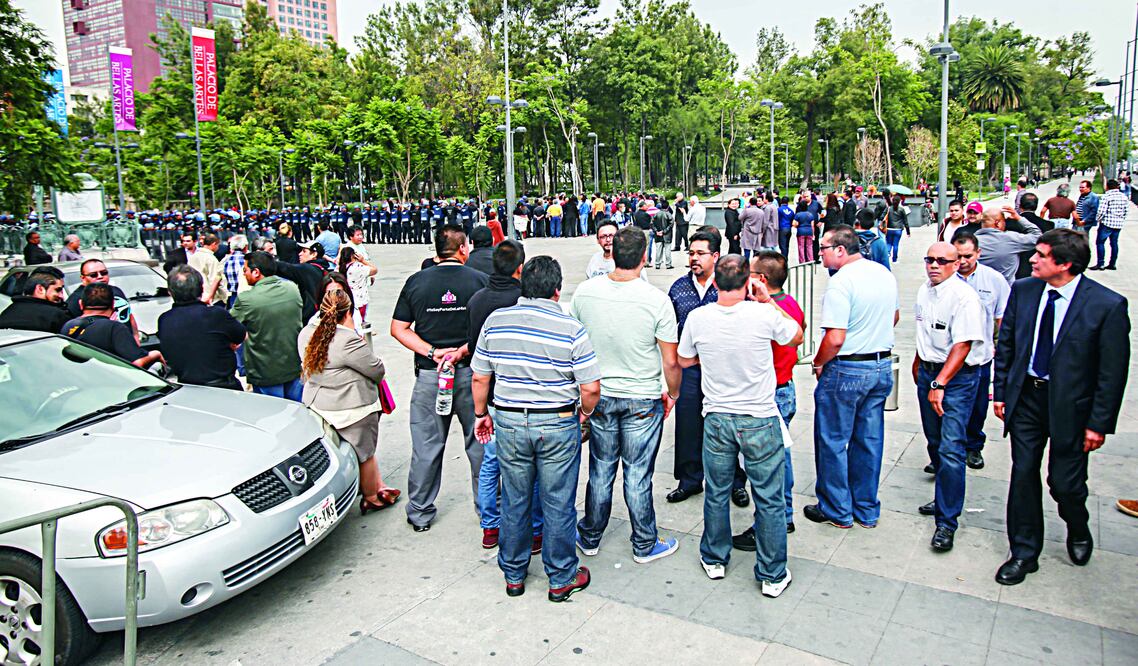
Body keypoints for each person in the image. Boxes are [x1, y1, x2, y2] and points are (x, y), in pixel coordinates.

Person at [993, 229, 1130, 585]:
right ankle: (1023, 552)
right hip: (1027, 399)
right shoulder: (1024, 290)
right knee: (1023, 472)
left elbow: (1111, 373)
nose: (1032, 259)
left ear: (1065, 264)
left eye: (1040, 254)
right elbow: (1007, 344)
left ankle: (1077, 525)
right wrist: (1002, 393)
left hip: (1072, 407)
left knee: (1064, 482)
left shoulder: (1106, 305)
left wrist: (1098, 423)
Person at [471, 256, 601, 601]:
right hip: (558, 423)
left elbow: (481, 376)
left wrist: (481, 413)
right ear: (557, 291)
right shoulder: (571, 328)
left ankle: (513, 573)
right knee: (558, 500)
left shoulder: (495, 321)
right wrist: (584, 414)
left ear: (522, 284)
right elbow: (590, 388)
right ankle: (560, 577)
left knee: (515, 497)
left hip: (509, 421)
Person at [678, 254, 803, 596]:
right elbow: (796, 338)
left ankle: (715, 557)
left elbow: (685, 359)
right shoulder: (763, 314)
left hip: (717, 416)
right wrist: (767, 300)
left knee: (716, 492)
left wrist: (713, 354)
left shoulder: (698, 317)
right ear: (749, 280)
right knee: (770, 497)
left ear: (715, 282)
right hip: (759, 417)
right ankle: (772, 573)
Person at [571, 226, 682, 563]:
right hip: (642, 399)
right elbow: (671, 360)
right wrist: (672, 392)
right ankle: (645, 542)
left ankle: (590, 535)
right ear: (644, 257)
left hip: (600, 396)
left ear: (612, 254)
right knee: (637, 472)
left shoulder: (585, 293)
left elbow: (573, 345)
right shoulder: (657, 301)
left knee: (601, 469)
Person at [390, 224, 489, 532]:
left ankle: (419, 512)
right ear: (463, 249)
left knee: (427, 445)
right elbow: (488, 329)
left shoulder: (417, 282)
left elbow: (398, 328)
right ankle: (488, 510)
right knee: (480, 443)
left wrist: (432, 351)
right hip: (471, 376)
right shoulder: (478, 281)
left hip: (431, 376)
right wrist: (462, 350)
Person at [807, 225, 898, 528]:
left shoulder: (841, 282)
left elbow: (834, 337)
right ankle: (866, 508)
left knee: (833, 439)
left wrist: (819, 362)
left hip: (847, 367)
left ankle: (836, 509)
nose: (820, 254)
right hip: (880, 365)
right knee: (868, 440)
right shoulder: (883, 273)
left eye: (823, 248)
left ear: (840, 250)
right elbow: (894, 315)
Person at [911, 242, 985, 552]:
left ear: (957, 264)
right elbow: (924, 333)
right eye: (930, 259)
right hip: (929, 372)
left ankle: (947, 522)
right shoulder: (924, 291)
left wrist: (940, 383)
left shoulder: (964, 297)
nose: (934, 265)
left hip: (956, 378)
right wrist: (919, 367)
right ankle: (943, 496)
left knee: (952, 447)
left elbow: (963, 345)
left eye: (943, 260)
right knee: (935, 441)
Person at [299, 289, 400, 515]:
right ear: (348, 313)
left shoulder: (306, 333)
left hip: (318, 404)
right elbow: (376, 370)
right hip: (352, 408)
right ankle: (372, 496)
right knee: (365, 454)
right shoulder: (347, 340)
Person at [465, 241, 538, 550]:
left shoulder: (477, 300)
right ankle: (535, 531)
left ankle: (490, 526)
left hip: (490, 397)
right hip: (517, 394)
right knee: (530, 467)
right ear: (519, 269)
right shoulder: (521, 300)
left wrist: (480, 412)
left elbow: (474, 353)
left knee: (491, 463)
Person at [733, 251, 806, 552]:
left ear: (761, 280)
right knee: (778, 457)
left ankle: (776, 517)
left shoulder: (772, 310)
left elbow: (794, 336)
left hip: (771, 393)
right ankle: (782, 513)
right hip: (783, 388)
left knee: (768, 463)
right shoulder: (790, 305)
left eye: (749, 272)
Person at [665, 230, 722, 504]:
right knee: (687, 425)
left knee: (723, 425)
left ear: (715, 256)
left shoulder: (727, 287)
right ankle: (689, 480)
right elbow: (669, 331)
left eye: (700, 253)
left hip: (720, 370)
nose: (694, 258)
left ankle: (734, 480)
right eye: (691, 253)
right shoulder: (678, 288)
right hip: (688, 369)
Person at [158, 265, 246, 389]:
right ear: (202, 288)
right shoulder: (216, 314)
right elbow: (241, 336)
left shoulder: (165, 320)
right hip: (223, 387)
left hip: (187, 387)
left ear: (170, 292)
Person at [232, 251, 305, 401]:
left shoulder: (247, 299)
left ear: (256, 272)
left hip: (264, 370)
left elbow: (230, 326)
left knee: (272, 416)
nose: (244, 274)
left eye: (245, 270)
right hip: (293, 364)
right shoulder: (292, 289)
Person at [61, 283, 162, 368]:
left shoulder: (68, 326)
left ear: (81, 304)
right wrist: (155, 354)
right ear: (113, 304)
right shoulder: (114, 328)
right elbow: (137, 362)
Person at [63, 260, 134, 334]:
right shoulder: (75, 300)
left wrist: (135, 337)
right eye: (93, 275)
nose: (100, 277)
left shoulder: (116, 290)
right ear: (83, 278)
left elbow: (130, 316)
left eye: (104, 273)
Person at [976, 208, 1041, 284]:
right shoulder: (1011, 238)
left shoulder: (972, 242)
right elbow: (1037, 236)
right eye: (1004, 221)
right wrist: (1019, 218)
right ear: (997, 223)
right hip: (1007, 289)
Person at [0, 268, 69, 333]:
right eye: (58, 290)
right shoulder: (56, 316)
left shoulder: (7, 313)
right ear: (40, 289)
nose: (61, 296)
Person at [1090, 178, 1129, 271]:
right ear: (1117, 186)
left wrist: (1098, 220)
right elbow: (1126, 211)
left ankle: (1101, 264)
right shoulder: (1124, 197)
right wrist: (1120, 219)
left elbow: (1101, 211)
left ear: (1107, 187)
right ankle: (1112, 264)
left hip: (1106, 223)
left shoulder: (1107, 196)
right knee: (1114, 243)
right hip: (1118, 224)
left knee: (1100, 242)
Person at [337, 246, 377, 321]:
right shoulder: (357, 267)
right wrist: (363, 260)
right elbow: (374, 270)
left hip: (347, 298)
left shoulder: (340, 267)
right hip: (360, 298)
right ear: (353, 255)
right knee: (360, 320)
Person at [189, 233, 228, 306]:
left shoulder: (192, 257)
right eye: (217, 245)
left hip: (196, 296)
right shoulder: (211, 259)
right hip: (211, 298)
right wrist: (224, 297)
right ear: (214, 244)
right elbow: (214, 279)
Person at [222, 235, 249, 309]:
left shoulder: (225, 260)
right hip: (247, 295)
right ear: (245, 247)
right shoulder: (247, 260)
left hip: (233, 296)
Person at [882, 193, 910, 262]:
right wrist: (908, 231)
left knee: (888, 243)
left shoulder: (889, 208)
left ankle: (887, 253)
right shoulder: (902, 209)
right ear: (899, 201)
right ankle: (894, 259)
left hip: (889, 228)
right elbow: (905, 221)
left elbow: (882, 216)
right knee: (895, 244)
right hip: (898, 229)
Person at [652, 200, 675, 269]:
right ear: (668, 206)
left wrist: (656, 231)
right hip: (667, 235)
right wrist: (664, 231)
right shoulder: (668, 214)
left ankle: (657, 264)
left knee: (658, 250)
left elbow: (651, 223)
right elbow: (671, 224)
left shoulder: (656, 214)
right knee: (667, 250)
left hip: (658, 235)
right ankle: (668, 264)